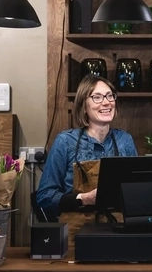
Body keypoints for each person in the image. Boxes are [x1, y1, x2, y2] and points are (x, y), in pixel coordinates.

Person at [37, 74, 138, 220]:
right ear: (83, 106)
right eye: (97, 97)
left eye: (110, 96)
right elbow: (44, 197)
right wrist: (83, 199)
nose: (106, 102)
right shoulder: (65, 142)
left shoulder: (125, 140)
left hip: (118, 229)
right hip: (77, 234)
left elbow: (136, 190)